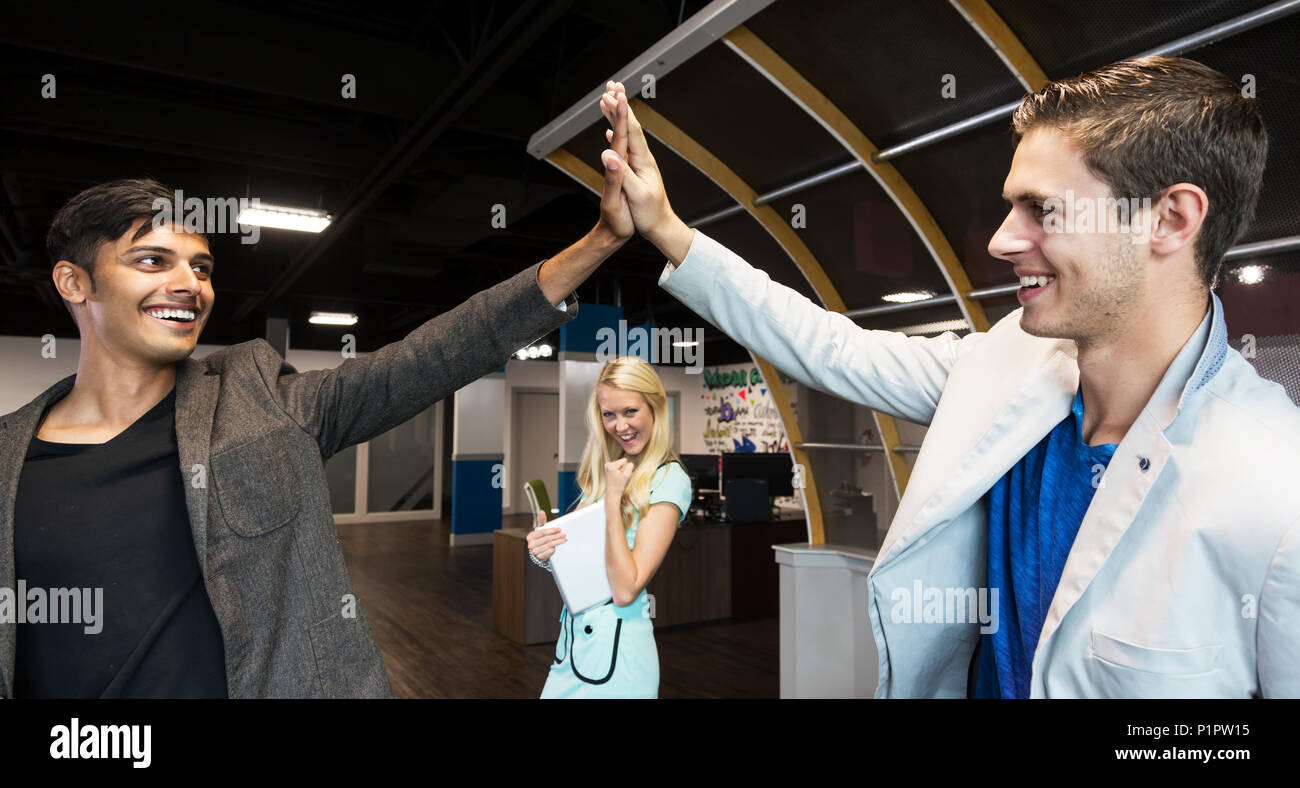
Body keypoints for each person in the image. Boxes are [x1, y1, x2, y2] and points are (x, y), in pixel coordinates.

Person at [595, 55, 1300, 699]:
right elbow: (826, 346)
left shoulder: (1278, 487)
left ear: (1170, 219)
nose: (1001, 240)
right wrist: (665, 229)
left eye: (1043, 210)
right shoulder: (1002, 367)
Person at [0, 143, 636, 698]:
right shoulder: (10, 457)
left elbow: (428, 358)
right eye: (151, 261)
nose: (189, 284)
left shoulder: (259, 400)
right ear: (74, 282)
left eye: (200, 267)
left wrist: (601, 240)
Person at [526, 357, 691, 698]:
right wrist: (547, 551)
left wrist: (613, 503)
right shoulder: (612, 469)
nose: (620, 425)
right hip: (573, 645)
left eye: (630, 411)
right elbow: (590, 558)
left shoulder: (670, 479)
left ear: (655, 407)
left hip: (619, 657)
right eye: (609, 414)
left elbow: (626, 588)